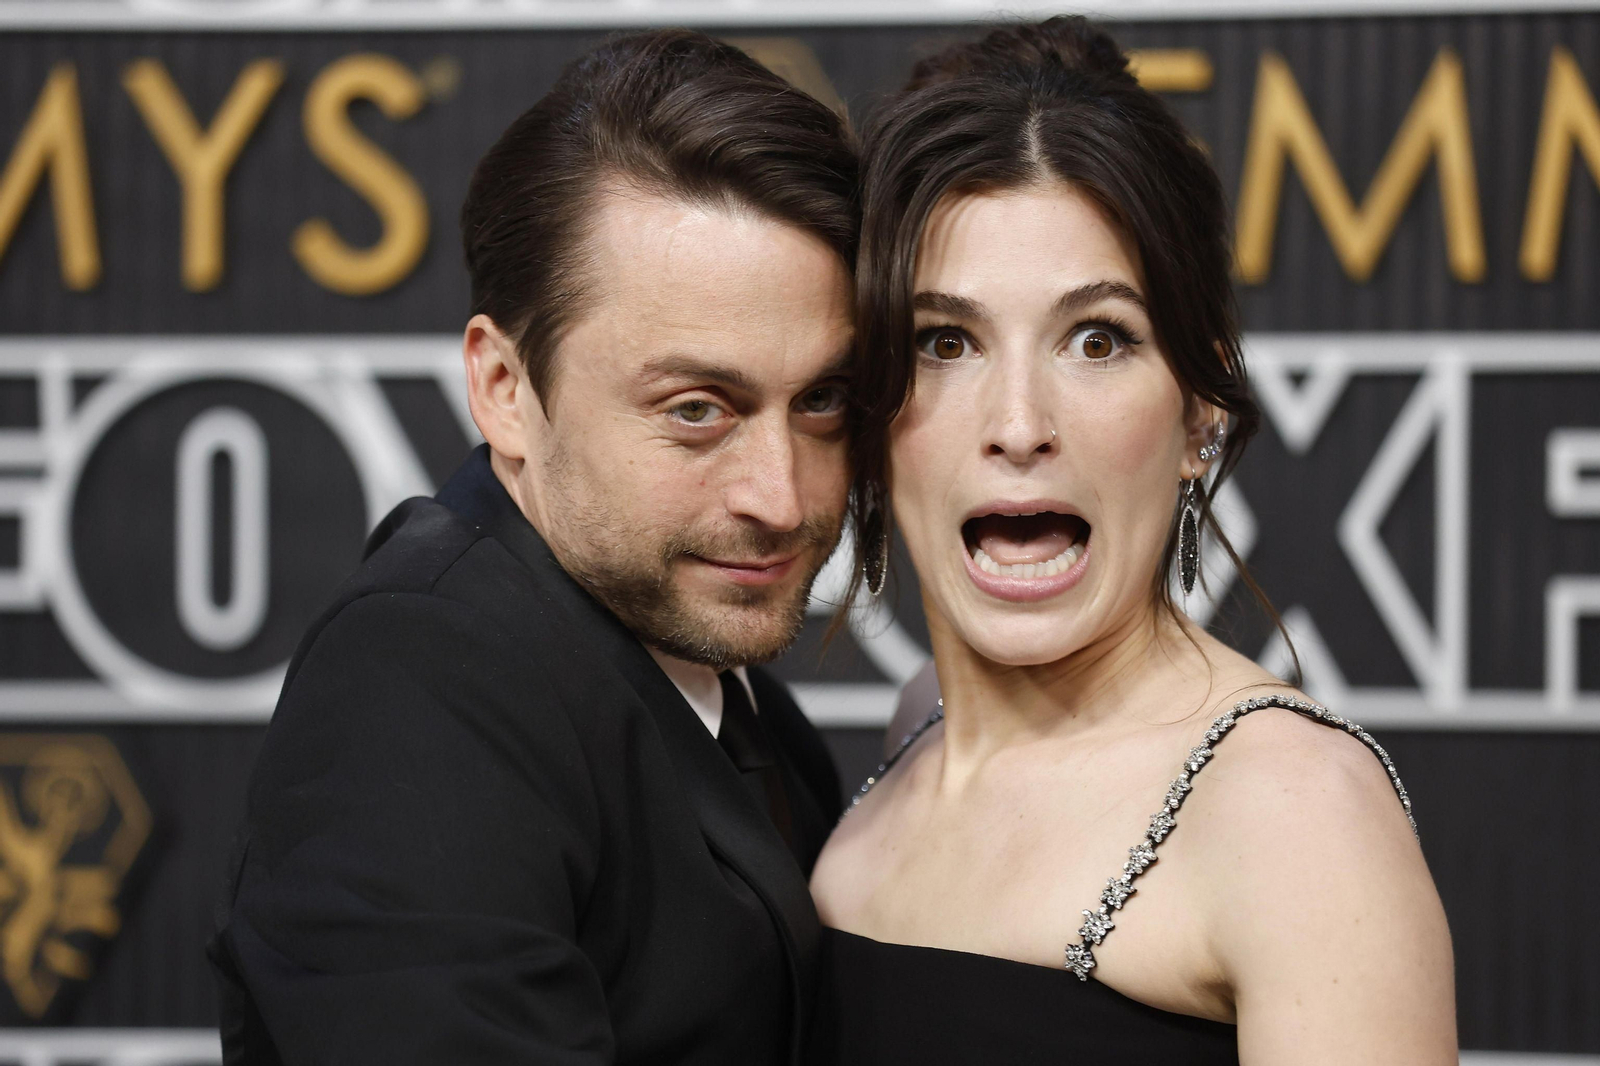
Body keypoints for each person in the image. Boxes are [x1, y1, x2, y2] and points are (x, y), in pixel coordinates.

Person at [209, 30, 867, 1065]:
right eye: (697, 409)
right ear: (506, 391)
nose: (780, 498)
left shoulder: (734, 697)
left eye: (823, 400)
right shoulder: (420, 680)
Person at [808, 17, 1457, 1064]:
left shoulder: (1294, 811)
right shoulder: (914, 723)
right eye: (944, 341)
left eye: (1097, 339)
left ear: (1200, 408)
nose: (1018, 423)